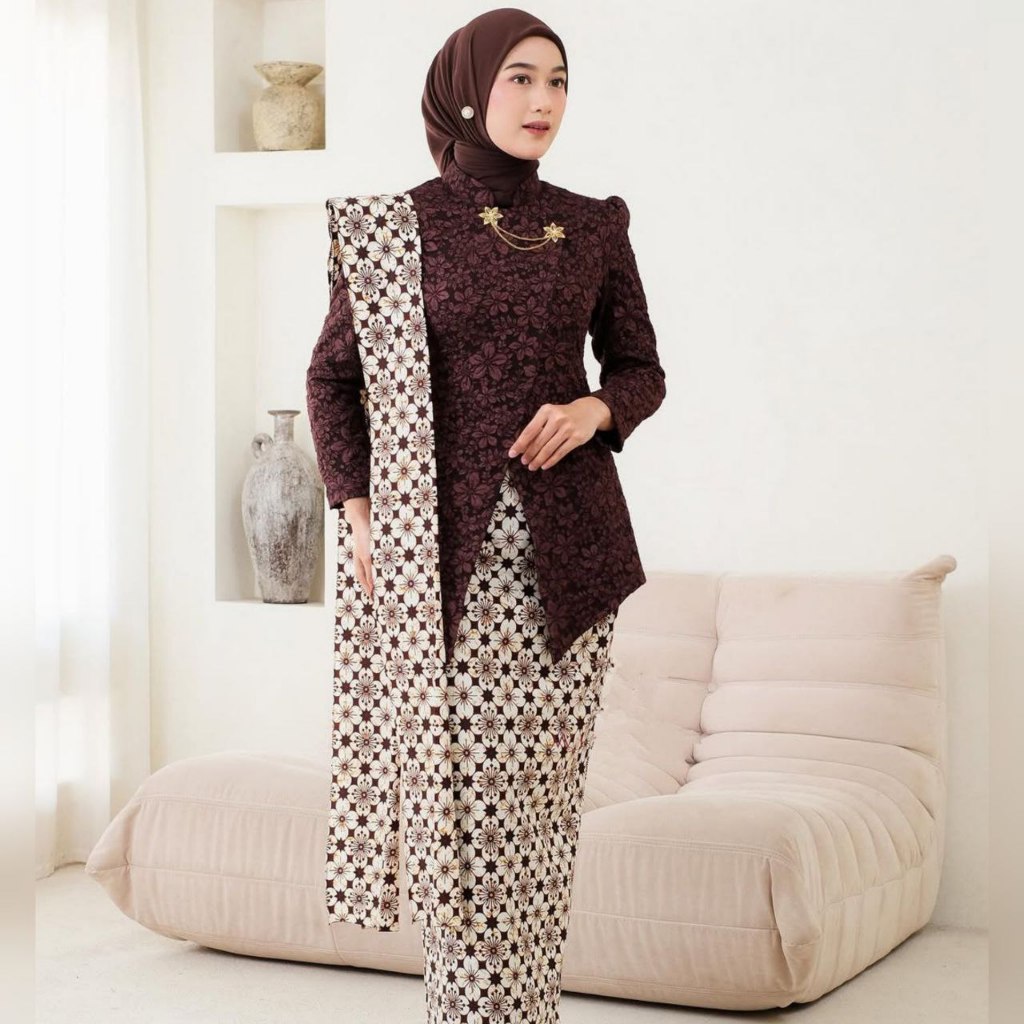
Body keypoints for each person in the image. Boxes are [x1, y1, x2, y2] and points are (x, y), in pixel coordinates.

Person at [306, 8, 666, 1022]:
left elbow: (639, 368)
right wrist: (357, 509)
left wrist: (594, 411)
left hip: (569, 562)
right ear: (466, 91)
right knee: (460, 820)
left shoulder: (593, 225)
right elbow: (331, 381)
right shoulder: (391, 228)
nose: (544, 100)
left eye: (558, 80)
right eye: (520, 78)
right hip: (435, 561)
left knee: (537, 820)